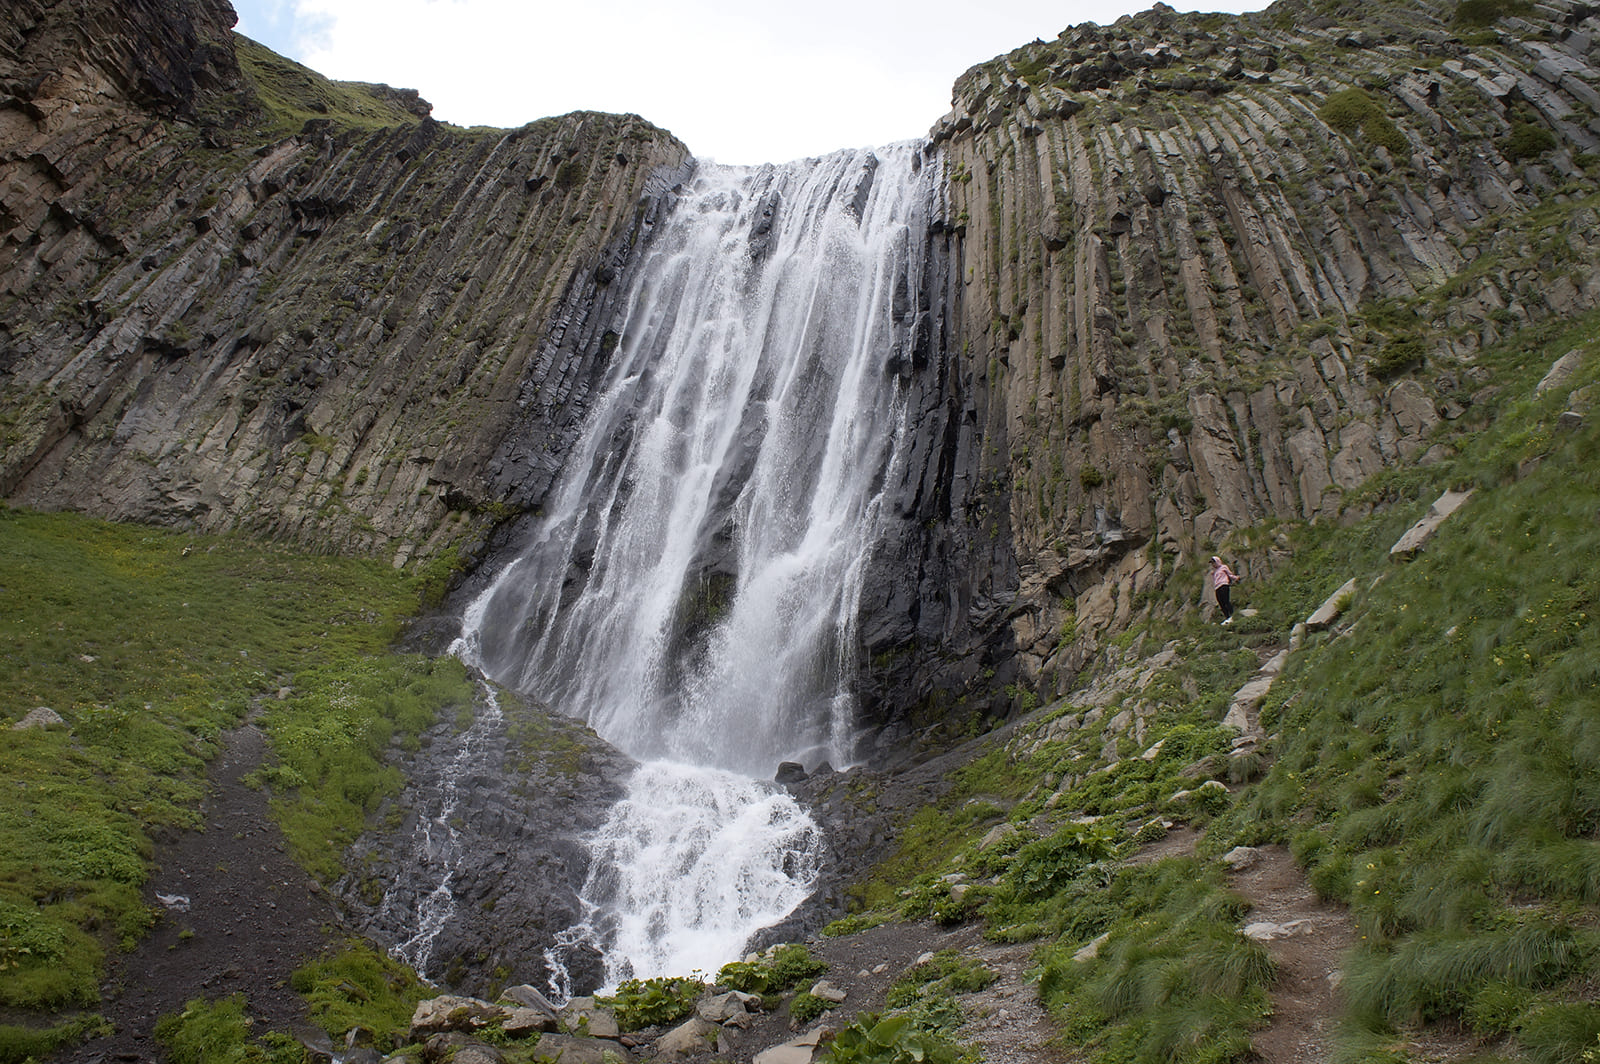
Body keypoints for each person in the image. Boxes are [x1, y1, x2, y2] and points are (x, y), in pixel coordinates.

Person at [1210, 556, 1239, 624]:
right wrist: (1213, 575)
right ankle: (1227, 617)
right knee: (1221, 603)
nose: (1213, 565)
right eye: (1212, 563)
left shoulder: (1223, 567)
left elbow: (1230, 574)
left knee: (1226, 601)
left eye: (1214, 563)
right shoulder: (1215, 571)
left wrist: (1235, 578)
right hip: (1217, 587)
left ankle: (1232, 615)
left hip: (1224, 585)